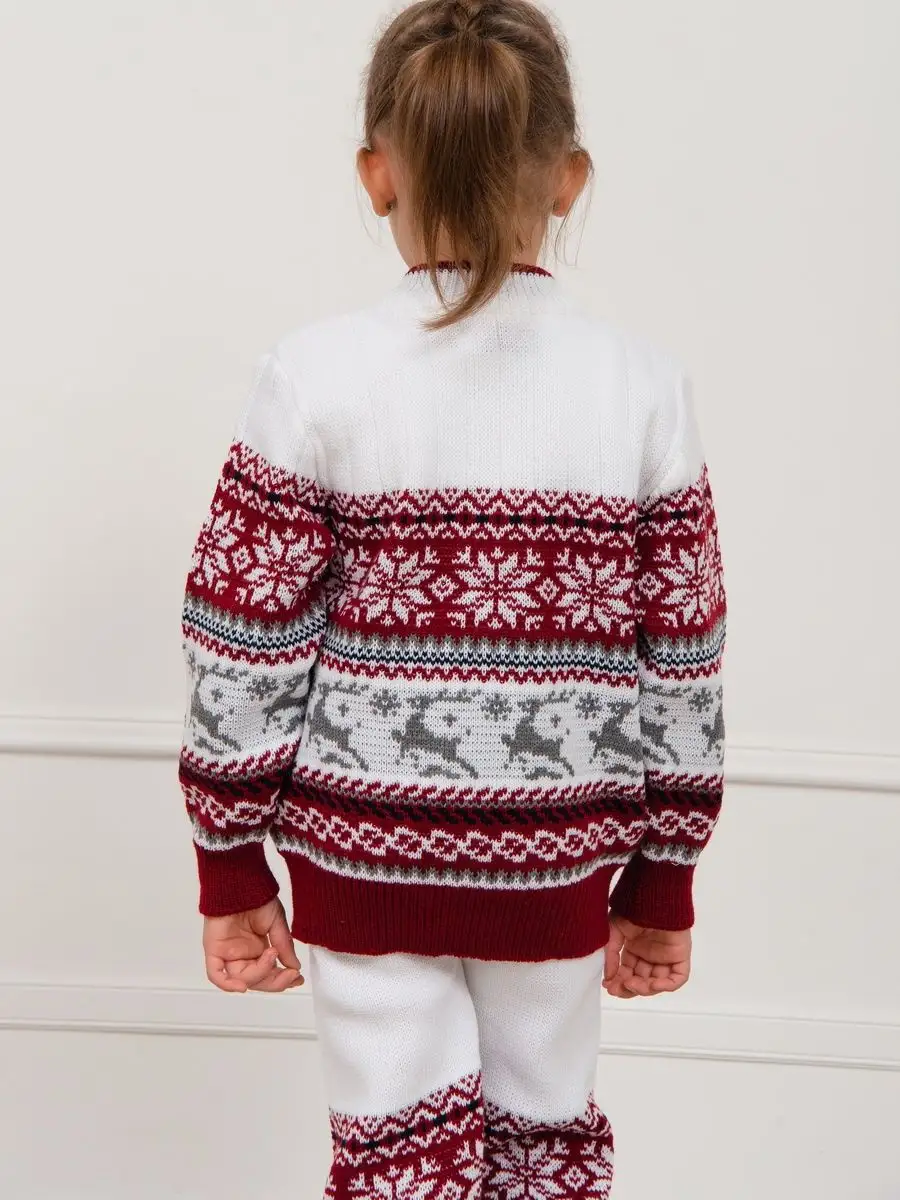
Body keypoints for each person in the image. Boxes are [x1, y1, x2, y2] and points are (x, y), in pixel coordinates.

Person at [177, 1, 727, 1195]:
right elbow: (682, 657)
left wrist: (231, 862)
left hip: (364, 864)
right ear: (568, 178)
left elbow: (243, 640)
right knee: (543, 1149)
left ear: (377, 174)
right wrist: (664, 876)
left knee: (398, 1162)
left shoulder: (314, 375)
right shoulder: (644, 387)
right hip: (556, 864)